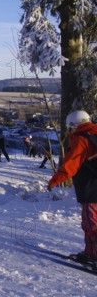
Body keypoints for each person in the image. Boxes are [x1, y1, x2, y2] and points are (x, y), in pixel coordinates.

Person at [48, 110, 97, 265]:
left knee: (91, 223)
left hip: (91, 188)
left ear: (74, 125)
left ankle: (94, 255)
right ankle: (90, 253)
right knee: (89, 223)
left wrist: (54, 181)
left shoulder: (82, 139)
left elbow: (71, 165)